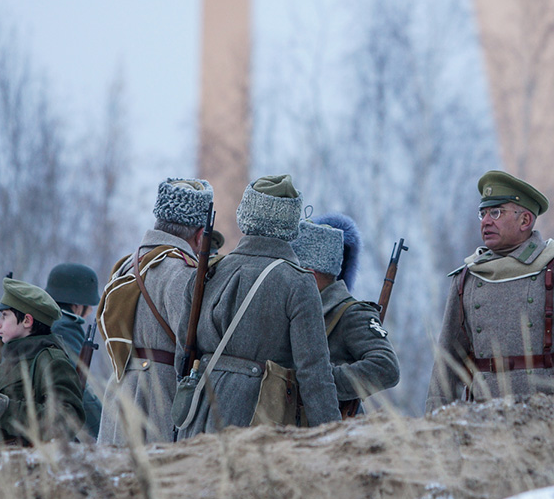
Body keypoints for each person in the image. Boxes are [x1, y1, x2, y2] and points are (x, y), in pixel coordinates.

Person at [426, 170, 554, 411]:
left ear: (525, 220)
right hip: (482, 423)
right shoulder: (466, 279)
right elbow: (447, 364)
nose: (486, 221)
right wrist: (432, 433)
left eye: (496, 212)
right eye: (482, 213)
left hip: (552, 421)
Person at [174, 174, 340, 434]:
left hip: (198, 414)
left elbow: (182, 352)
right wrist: (333, 435)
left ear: (246, 214)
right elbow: (314, 374)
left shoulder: (209, 272)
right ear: (291, 223)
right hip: (259, 419)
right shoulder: (298, 283)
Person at [96, 178, 220, 446]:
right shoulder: (181, 273)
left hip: (121, 388)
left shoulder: (126, 265)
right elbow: (195, 342)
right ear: (200, 236)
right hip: (158, 398)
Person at [291, 214, 400, 416]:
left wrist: (323, 381)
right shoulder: (298, 308)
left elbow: (386, 367)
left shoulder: (352, 313)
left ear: (310, 275)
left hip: (336, 428)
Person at [0, 278, 84, 445]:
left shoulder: (51, 361)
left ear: (27, 321)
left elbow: (67, 421)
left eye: (4, 316)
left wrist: (7, 411)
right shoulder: (6, 364)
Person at [44, 263, 103, 440]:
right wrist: (105, 430)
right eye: (88, 305)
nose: (90, 310)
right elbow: (77, 389)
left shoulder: (39, 323)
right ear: (76, 306)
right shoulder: (65, 329)